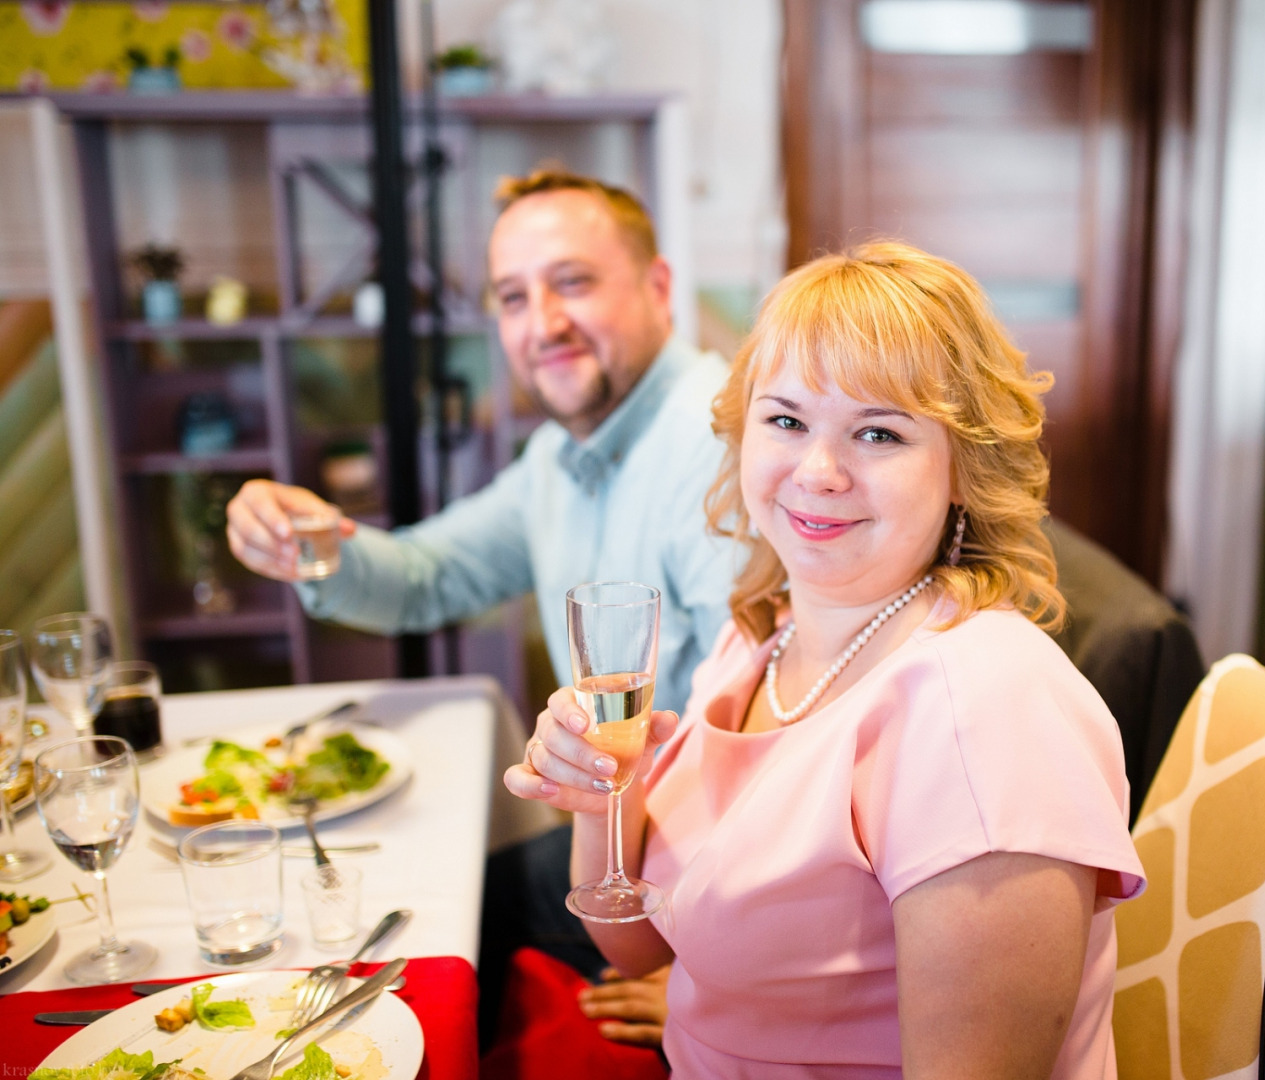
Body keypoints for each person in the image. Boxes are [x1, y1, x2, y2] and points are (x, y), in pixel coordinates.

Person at [509, 241, 1145, 1078]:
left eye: (877, 432)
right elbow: (638, 952)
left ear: (962, 466)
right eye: (786, 420)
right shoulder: (761, 639)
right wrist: (600, 795)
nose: (818, 470)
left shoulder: (982, 716)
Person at [225, 167, 735, 717]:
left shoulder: (723, 447)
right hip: (612, 798)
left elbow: (750, 726)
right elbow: (428, 577)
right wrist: (309, 542)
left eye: (572, 282)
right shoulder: (556, 457)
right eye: (513, 298)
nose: (543, 325)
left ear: (657, 289)